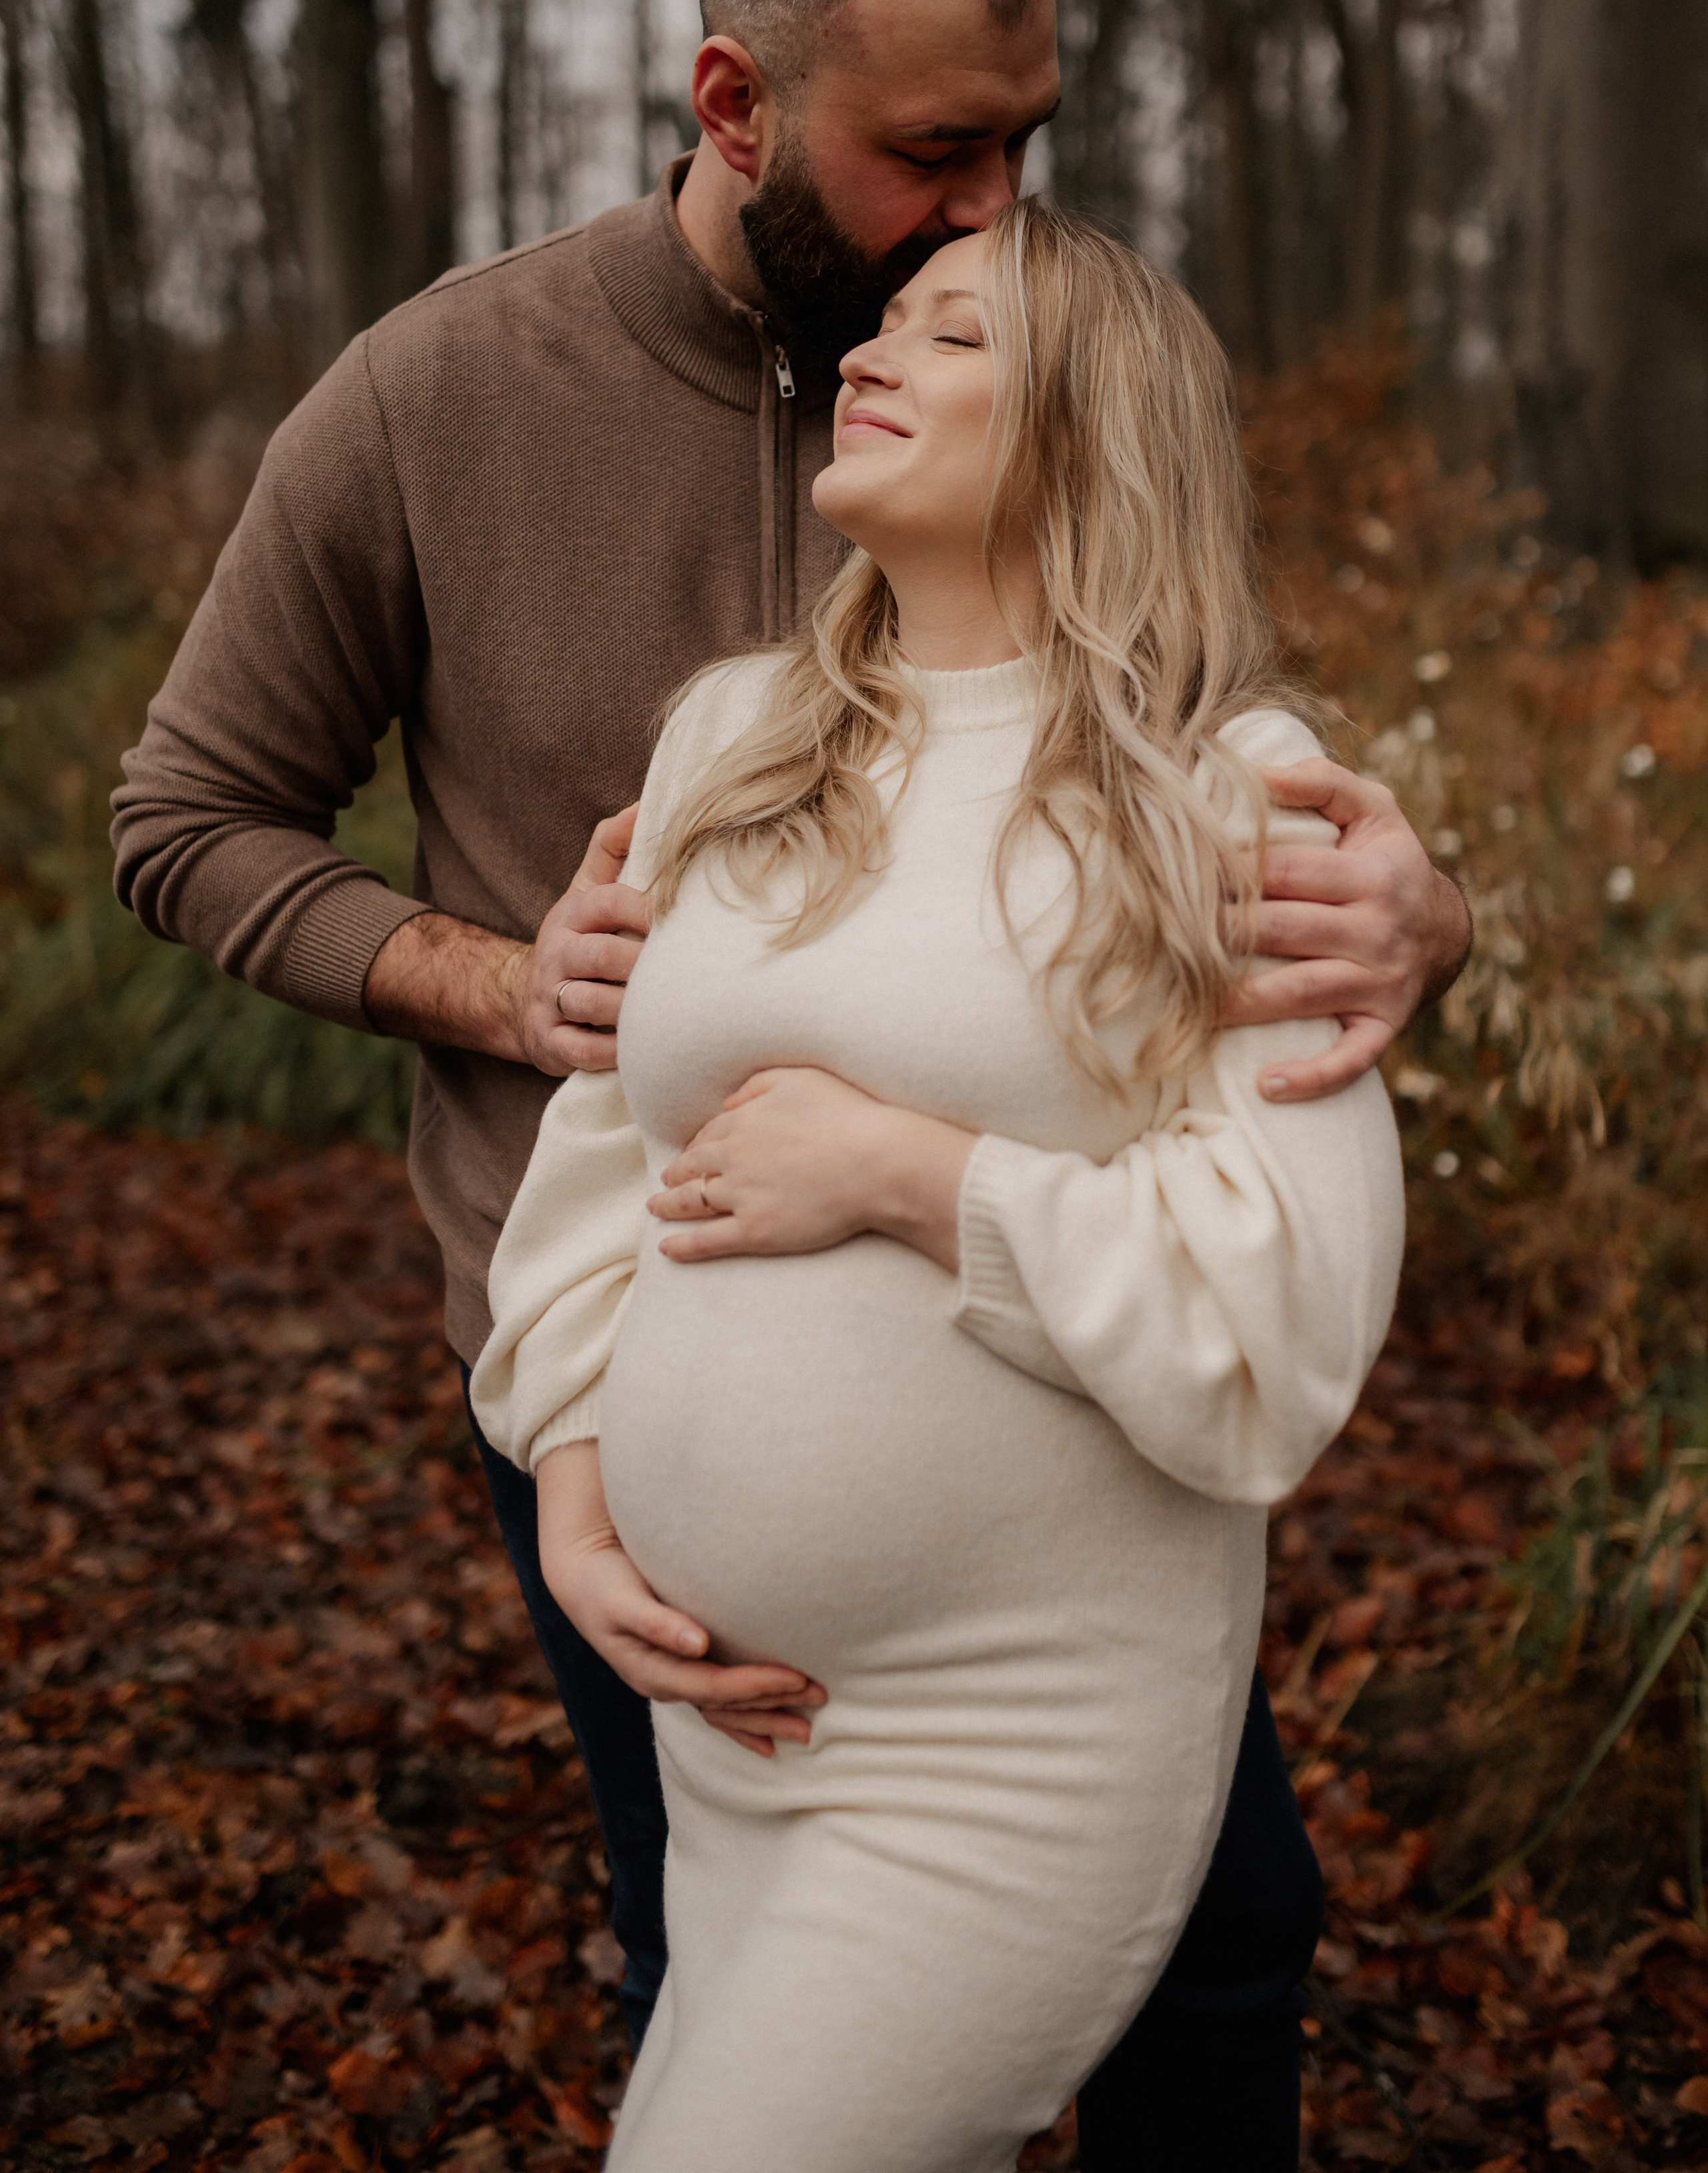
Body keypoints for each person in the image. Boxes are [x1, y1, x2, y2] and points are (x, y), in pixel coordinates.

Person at [112, 0, 1466, 2168]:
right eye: (936, 153)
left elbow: (1171, 849)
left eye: (1025, 151)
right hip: (611, 1394)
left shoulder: (1038, 397)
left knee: (1219, 1968)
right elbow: (186, 821)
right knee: (707, 1969)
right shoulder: (438, 401)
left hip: (1055, 1544)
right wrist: (510, 986)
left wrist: (1411, 931)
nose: (992, 209)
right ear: (739, 106)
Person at [471, 199, 1405, 2171]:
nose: (874, 354)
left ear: (1089, 432)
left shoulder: (1223, 788)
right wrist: (572, 1486)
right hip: (731, 1736)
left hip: (1014, 1740)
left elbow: (1283, 1319)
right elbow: (599, 1165)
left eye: (956, 337)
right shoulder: (737, 739)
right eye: (883, 325)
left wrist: (920, 1176)